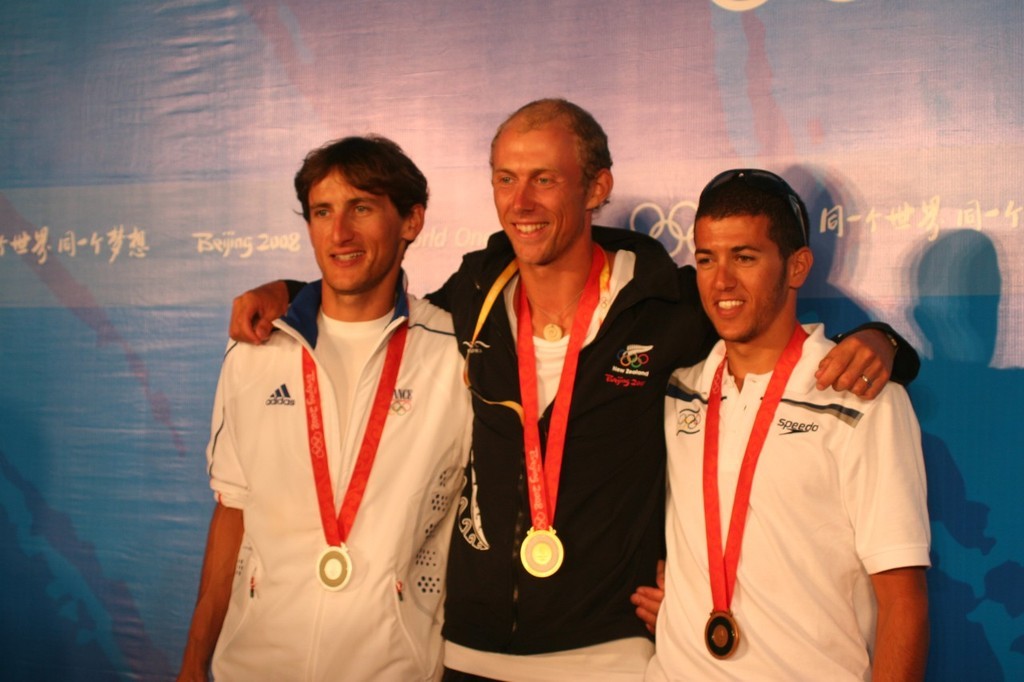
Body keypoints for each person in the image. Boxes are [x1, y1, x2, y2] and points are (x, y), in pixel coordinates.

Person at [229, 100, 918, 681]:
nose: (521, 203)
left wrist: (887, 343)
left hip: (607, 658)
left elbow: (768, 326)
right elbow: (372, 306)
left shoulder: (668, 306)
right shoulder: (468, 297)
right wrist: (290, 295)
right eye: (505, 178)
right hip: (464, 653)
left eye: (544, 179)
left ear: (595, 187)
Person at [177, 136, 471, 681]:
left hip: (392, 668)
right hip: (253, 668)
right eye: (322, 212)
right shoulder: (256, 348)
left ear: (411, 221)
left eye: (361, 208)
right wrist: (194, 660)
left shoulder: (458, 353)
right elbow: (233, 510)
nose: (339, 234)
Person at [647, 170, 929, 681]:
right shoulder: (678, 389)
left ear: (797, 266)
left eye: (745, 257)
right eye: (707, 259)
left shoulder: (862, 400)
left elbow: (903, 603)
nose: (721, 281)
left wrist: (883, 340)